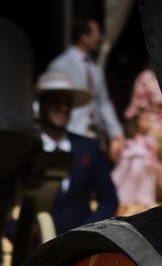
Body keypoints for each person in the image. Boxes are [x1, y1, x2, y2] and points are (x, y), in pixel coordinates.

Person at [34, 70, 118, 234]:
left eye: (68, 103)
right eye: (56, 102)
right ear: (43, 104)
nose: (63, 108)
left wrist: (87, 231)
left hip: (79, 246)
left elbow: (109, 200)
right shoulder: (29, 146)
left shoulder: (89, 147)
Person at [42, 15, 121, 152]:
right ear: (83, 36)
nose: (99, 38)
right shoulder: (60, 64)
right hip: (71, 132)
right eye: (96, 33)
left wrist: (117, 133)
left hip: (95, 134)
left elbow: (103, 102)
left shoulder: (96, 68)